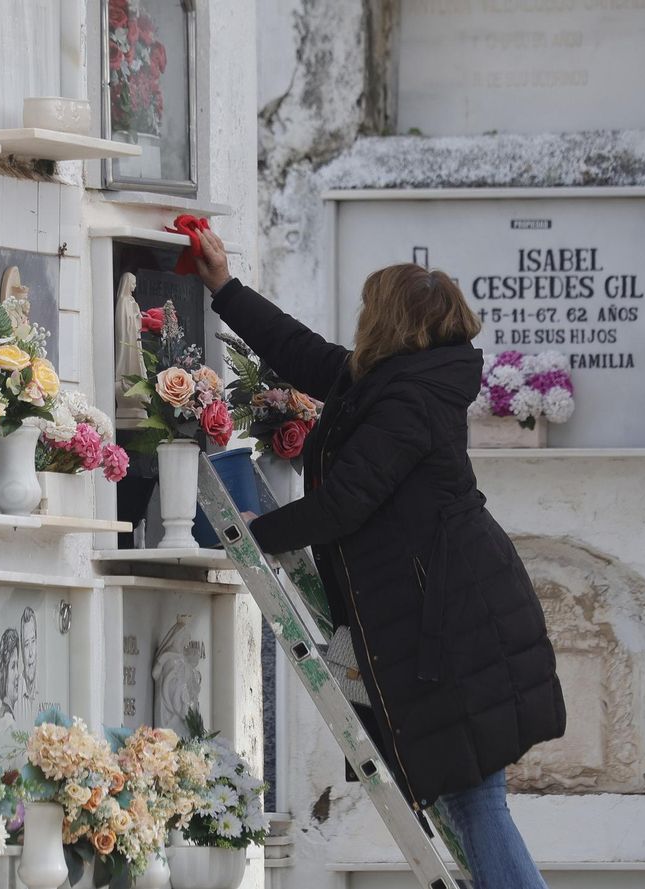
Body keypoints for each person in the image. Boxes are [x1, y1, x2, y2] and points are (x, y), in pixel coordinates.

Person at [191, 232, 566, 889]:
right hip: (433, 615)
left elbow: (345, 503)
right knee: (464, 792)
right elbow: (304, 354)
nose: (360, 320)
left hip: (449, 623)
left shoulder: (407, 401)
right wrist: (225, 288)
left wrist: (260, 529)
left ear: (390, 320)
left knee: (474, 797)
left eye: (369, 309)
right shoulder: (388, 382)